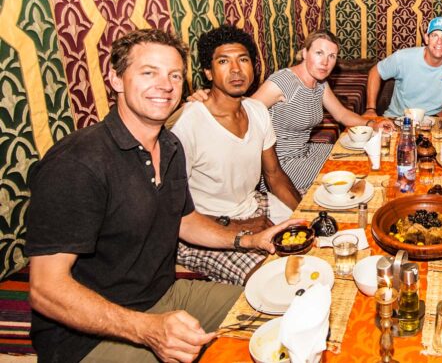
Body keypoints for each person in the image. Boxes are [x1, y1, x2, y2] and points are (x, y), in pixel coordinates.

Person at [24, 29, 303, 363]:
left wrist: (249, 240)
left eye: (173, 75)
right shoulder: (78, 163)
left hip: (166, 294)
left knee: (283, 313)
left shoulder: (169, 147)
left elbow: (185, 221)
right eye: (148, 73)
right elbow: (45, 290)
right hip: (89, 336)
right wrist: (147, 329)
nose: (165, 85)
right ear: (116, 79)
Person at [172, 25, 301, 285]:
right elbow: (173, 211)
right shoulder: (188, 123)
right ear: (208, 72)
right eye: (223, 61)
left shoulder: (257, 111)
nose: (235, 70)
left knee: (313, 244)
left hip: (253, 205)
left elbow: (274, 175)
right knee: (273, 280)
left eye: (243, 60)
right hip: (204, 229)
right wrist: (238, 227)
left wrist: (304, 213)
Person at [192, 30, 392, 192]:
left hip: (305, 152)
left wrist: (372, 124)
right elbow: (244, 111)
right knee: (345, 175)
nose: (325, 62)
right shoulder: (283, 82)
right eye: (319, 53)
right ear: (304, 53)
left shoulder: (319, 82)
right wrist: (208, 101)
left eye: (332, 56)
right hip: (278, 164)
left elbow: (340, 114)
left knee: (356, 157)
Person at [365, 17, 442, 118]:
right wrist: (370, 109)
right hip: (399, 119)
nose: (439, 41)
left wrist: (439, 116)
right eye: (434, 35)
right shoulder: (403, 57)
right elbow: (375, 71)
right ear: (426, 38)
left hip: (436, 121)